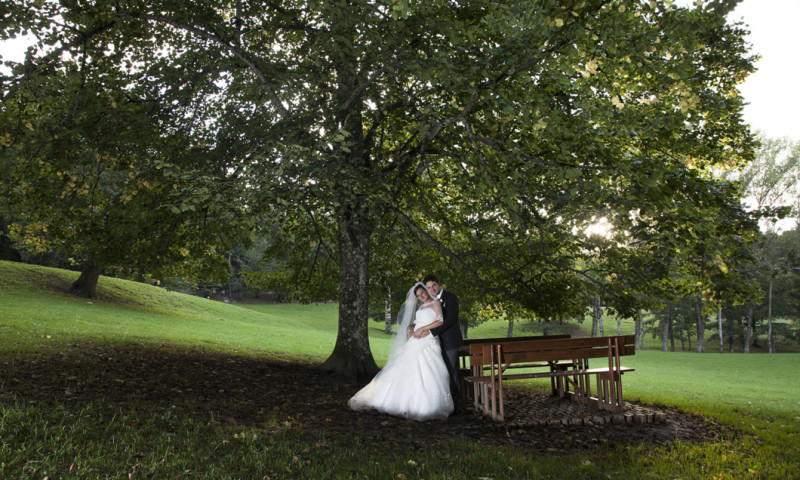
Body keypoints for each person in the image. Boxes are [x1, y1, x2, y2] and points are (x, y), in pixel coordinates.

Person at [348, 283, 454, 421]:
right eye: (419, 296)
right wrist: (410, 327)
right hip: (416, 339)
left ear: (427, 291)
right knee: (406, 368)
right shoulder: (421, 307)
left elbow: (440, 321)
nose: (422, 296)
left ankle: (427, 405)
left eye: (423, 293)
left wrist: (423, 329)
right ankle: (399, 400)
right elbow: (417, 321)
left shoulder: (436, 303)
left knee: (429, 369)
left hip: (429, 339)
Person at [415, 274, 464, 405]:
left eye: (434, 285)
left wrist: (429, 331)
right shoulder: (429, 302)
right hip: (435, 342)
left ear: (439, 283)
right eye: (429, 287)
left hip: (449, 341)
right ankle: (441, 402)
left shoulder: (451, 297)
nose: (432, 289)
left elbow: (450, 320)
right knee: (439, 372)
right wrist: (412, 327)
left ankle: (456, 404)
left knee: (451, 371)